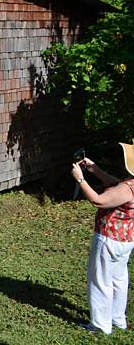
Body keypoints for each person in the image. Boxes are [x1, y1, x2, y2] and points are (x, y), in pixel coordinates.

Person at [71, 143, 134, 335]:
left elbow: (98, 200)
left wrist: (81, 180)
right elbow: (116, 184)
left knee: (100, 280)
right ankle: (117, 319)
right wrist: (94, 169)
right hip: (126, 240)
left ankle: (100, 325)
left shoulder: (128, 188)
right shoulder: (128, 185)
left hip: (109, 239)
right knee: (118, 279)